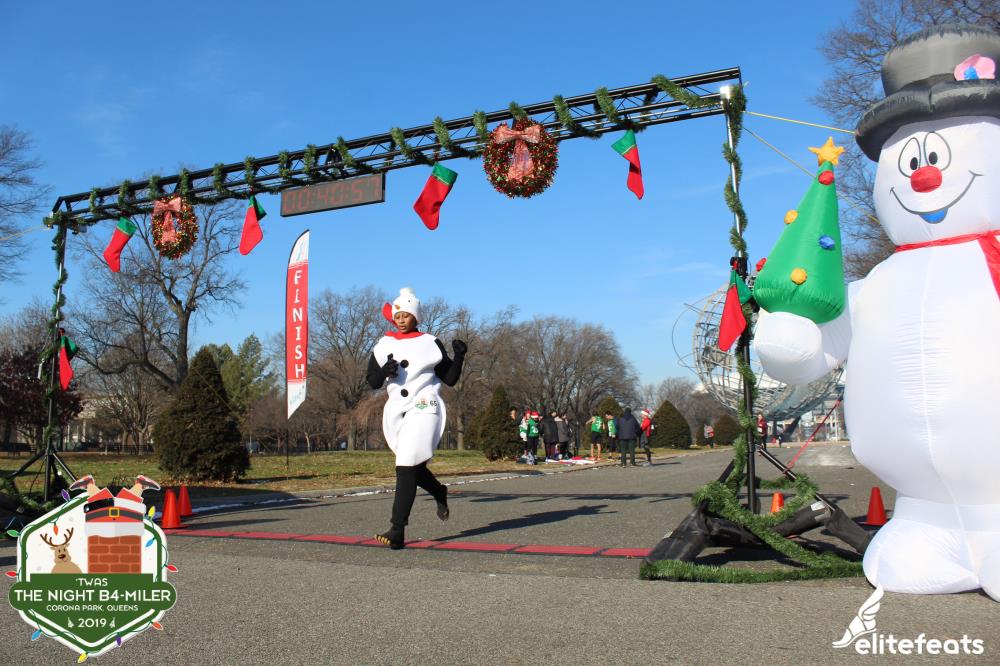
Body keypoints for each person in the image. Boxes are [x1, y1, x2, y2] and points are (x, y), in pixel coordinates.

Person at [366, 287, 466, 549]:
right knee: (413, 468)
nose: (401, 319)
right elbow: (372, 381)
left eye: (406, 315)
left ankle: (397, 529)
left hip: (424, 406)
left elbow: (450, 379)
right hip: (397, 410)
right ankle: (439, 491)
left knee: (406, 464)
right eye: (397, 315)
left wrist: (459, 357)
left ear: (416, 317)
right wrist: (384, 371)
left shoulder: (430, 342)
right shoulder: (384, 345)